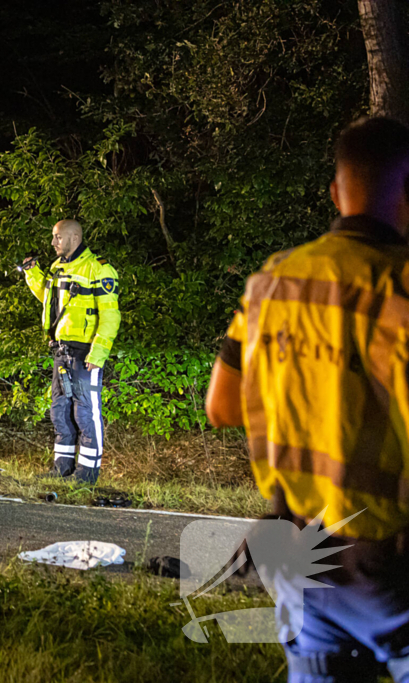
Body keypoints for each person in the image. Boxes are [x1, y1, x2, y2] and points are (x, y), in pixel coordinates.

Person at [205, 116, 409, 682]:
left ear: (336, 192)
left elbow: (221, 407)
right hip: (388, 565)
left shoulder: (273, 281)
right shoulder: (399, 289)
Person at [23, 220, 120, 483]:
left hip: (85, 354)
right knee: (60, 411)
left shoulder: (99, 269)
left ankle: (86, 476)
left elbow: (111, 317)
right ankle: (62, 470)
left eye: (58, 237)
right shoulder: (58, 267)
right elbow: (49, 299)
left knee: (85, 413)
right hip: (61, 351)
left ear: (74, 237)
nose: (53, 243)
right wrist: (32, 272)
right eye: (53, 237)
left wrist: (98, 353)